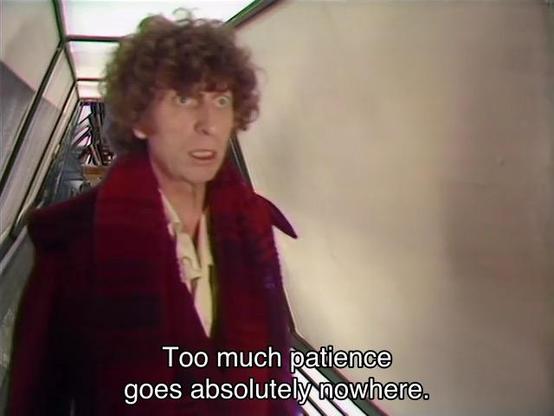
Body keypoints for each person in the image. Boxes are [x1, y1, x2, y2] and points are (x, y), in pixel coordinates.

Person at [7, 13, 300, 416]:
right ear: (140, 118)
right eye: (183, 99)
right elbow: (35, 400)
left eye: (221, 100)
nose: (207, 124)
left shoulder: (253, 224)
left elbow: (277, 372)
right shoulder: (71, 242)